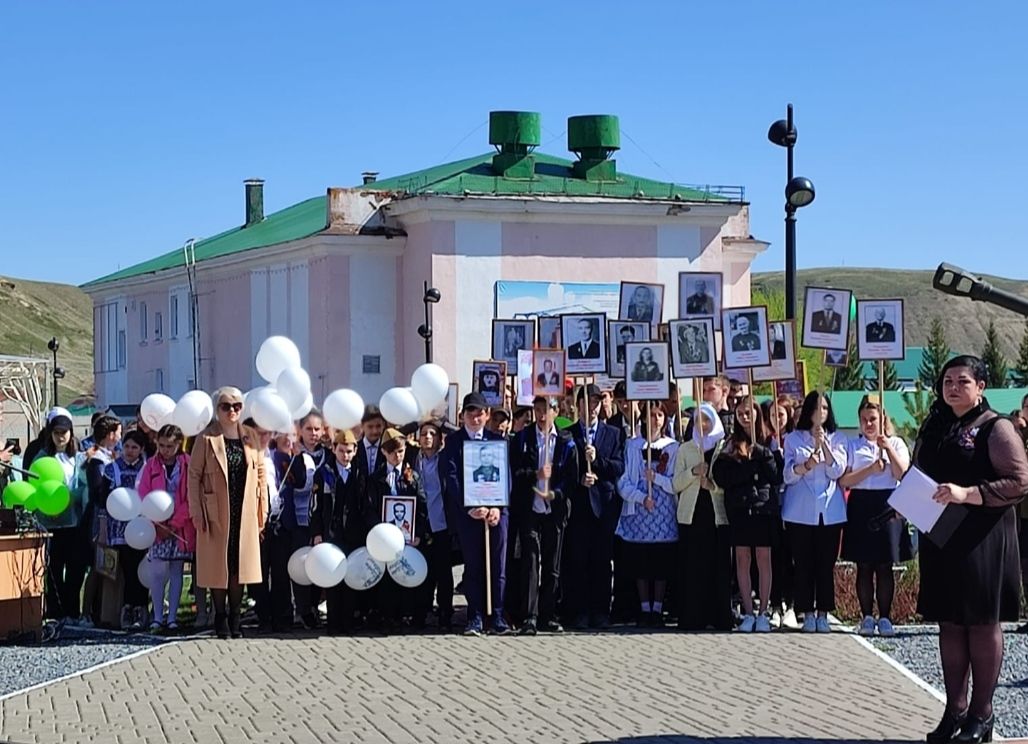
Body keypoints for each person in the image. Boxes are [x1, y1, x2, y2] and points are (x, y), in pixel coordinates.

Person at [914, 356, 1028, 744]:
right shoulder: (936, 425)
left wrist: (970, 494)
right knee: (949, 623)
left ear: (981, 386)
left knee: (981, 623)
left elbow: (1019, 481)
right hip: (941, 534)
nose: (953, 388)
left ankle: (983, 715)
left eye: (963, 381)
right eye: (947, 381)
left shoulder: (996, 428)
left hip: (983, 537)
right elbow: (921, 476)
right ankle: (955, 711)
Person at [187, 386, 267, 639]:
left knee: (238, 566)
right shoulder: (206, 438)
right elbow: (194, 476)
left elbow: (261, 474)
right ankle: (219, 616)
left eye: (237, 406)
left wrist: (261, 511)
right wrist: (196, 511)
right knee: (217, 567)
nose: (232, 411)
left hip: (244, 511)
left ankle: (236, 616)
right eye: (225, 406)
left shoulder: (251, 436)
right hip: (216, 512)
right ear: (216, 409)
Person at [838, 398, 911, 638]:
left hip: (888, 503)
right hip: (861, 503)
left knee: (885, 564)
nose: (869, 424)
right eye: (864, 420)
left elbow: (903, 474)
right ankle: (866, 616)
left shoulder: (897, 443)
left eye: (873, 419)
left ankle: (886, 617)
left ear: (882, 420)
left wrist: (887, 448)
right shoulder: (852, 445)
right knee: (864, 565)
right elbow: (844, 480)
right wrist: (870, 469)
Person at [440, 392, 511, 636]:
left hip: (495, 514)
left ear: (487, 414)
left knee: (498, 566)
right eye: (470, 412)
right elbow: (451, 478)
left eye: (479, 412)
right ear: (462, 416)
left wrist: (497, 508)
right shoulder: (453, 442)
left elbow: (506, 478)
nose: (475, 416)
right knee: (473, 567)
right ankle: (476, 616)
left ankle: (498, 615)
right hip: (469, 515)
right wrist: (469, 507)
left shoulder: (498, 441)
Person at [510, 396, 579, 635]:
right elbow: (516, 472)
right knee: (530, 561)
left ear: (555, 411)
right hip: (530, 507)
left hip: (554, 510)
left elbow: (572, 477)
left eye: (545, 410)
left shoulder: (566, 441)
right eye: (537, 410)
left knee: (552, 563)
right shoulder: (522, 439)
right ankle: (529, 615)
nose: (541, 415)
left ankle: (548, 614)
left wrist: (557, 494)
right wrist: (535, 474)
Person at [712, 399, 781, 632]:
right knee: (742, 559)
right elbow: (722, 476)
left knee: (764, 559)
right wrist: (747, 467)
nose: (744, 416)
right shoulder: (730, 445)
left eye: (748, 412)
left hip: (763, 508)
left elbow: (775, 476)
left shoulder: (770, 440)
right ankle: (749, 612)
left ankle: (764, 612)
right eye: (740, 413)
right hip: (740, 508)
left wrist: (763, 454)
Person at [782, 392, 847, 633]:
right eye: (817, 408)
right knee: (804, 563)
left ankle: (823, 612)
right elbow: (788, 475)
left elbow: (836, 471)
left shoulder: (838, 438)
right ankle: (806, 611)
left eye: (826, 409)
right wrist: (806, 464)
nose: (822, 413)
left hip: (829, 511)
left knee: (825, 564)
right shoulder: (793, 439)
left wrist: (825, 445)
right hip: (800, 510)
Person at [563, 384, 625, 629]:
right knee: (578, 561)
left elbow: (618, 467)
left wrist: (596, 460)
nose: (592, 407)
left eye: (596, 402)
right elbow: (562, 469)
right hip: (578, 505)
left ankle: (601, 610)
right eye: (586, 402)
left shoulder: (613, 433)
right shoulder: (567, 434)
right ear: (577, 405)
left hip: (604, 505)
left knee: (601, 562)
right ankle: (579, 611)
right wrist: (579, 478)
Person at [617, 401, 679, 627]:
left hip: (662, 509)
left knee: (660, 561)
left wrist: (657, 479)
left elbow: (675, 482)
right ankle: (644, 608)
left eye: (660, 415)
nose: (655, 419)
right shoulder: (633, 445)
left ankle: (658, 608)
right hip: (641, 507)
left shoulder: (672, 446)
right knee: (641, 561)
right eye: (651, 415)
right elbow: (624, 479)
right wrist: (640, 497)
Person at [672, 403, 733, 631]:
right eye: (698, 420)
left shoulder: (723, 447)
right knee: (693, 568)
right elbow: (676, 483)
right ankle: (692, 616)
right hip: (692, 516)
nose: (703, 425)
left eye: (707, 419)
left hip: (716, 516)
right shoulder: (686, 448)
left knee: (717, 568)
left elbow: (728, 484)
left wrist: (712, 485)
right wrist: (693, 472)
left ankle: (718, 617)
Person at [368, 428, 428, 629]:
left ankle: (406, 614)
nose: (397, 456)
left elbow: (421, 506)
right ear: (384, 452)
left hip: (408, 537)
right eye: (392, 452)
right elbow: (370, 508)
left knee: (406, 570)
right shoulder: (376, 478)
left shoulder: (412, 477)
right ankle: (385, 614)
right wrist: (378, 531)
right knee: (385, 576)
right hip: (384, 538)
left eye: (401, 451)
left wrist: (418, 533)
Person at [138, 424, 195, 632]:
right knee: (156, 572)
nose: (165, 450)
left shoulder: (188, 465)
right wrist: (157, 523)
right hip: (157, 527)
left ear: (179, 444)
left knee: (176, 570)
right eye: (161, 445)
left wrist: (174, 522)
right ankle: (157, 616)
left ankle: (172, 617)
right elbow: (144, 494)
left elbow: (191, 496)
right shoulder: (151, 466)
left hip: (180, 527)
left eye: (170, 446)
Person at [310, 429, 367, 634]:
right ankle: (333, 623)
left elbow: (364, 505)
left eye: (349, 451)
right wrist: (317, 533)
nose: (345, 455)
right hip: (331, 531)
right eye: (341, 451)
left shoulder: (359, 472)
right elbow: (316, 507)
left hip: (353, 532)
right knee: (333, 577)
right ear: (333, 449)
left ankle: (348, 621)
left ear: (355, 451)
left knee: (351, 576)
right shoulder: (324, 473)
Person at [276, 410, 328, 629]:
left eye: (317, 429)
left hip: (321, 521)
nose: (313, 434)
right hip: (299, 521)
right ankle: (302, 609)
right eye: (309, 429)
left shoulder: (329, 455)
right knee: (301, 565)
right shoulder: (292, 454)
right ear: (300, 431)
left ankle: (315, 606)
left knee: (319, 565)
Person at [37, 415, 90, 625]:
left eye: (64, 433)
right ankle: (55, 612)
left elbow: (84, 486)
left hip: (73, 522)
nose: (61, 437)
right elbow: (35, 486)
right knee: (54, 569)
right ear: (51, 434)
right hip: (50, 523)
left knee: (76, 569)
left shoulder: (77, 458)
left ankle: (72, 610)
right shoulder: (42, 457)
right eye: (57, 433)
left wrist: (68, 498)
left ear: (70, 434)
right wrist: (48, 507)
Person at [102, 429, 150, 631]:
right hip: (119, 529)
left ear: (141, 450)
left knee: (141, 569)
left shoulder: (146, 468)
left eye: (134, 447)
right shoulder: (112, 469)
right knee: (127, 570)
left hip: (141, 527)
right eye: (127, 446)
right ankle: (127, 609)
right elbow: (103, 498)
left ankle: (140, 608)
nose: (130, 451)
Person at [413, 421, 454, 632]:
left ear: (439, 438)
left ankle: (445, 611)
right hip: (419, 524)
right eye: (423, 433)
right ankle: (421, 612)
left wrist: (442, 423)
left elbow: (458, 433)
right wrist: (417, 420)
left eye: (432, 434)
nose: (427, 437)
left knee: (443, 571)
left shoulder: (445, 459)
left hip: (441, 522)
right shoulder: (413, 460)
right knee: (422, 570)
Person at [83, 415, 122, 627]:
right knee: (99, 566)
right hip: (101, 517)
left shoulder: (111, 456)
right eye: (118, 432)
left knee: (108, 565)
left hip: (113, 516)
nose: (120, 436)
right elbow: (99, 492)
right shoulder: (98, 459)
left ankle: (103, 611)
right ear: (110, 435)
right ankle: (87, 612)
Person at [356, 406, 387, 478]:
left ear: (383, 425)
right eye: (370, 427)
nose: (375, 431)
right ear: (362, 426)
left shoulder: (388, 449)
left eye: (378, 426)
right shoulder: (355, 449)